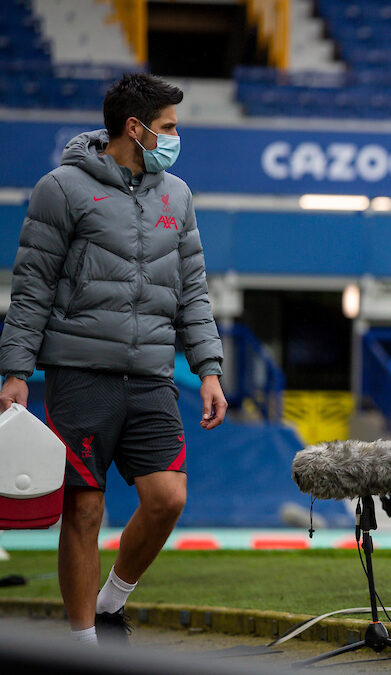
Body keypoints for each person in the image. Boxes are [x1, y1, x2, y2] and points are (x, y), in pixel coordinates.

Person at [0, 74, 227, 646]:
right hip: (80, 375)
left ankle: (110, 602)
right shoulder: (62, 188)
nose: (176, 137)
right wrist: (16, 373)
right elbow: (31, 288)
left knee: (167, 498)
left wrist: (209, 368)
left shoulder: (178, 194)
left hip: (151, 376)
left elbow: (193, 291)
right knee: (84, 511)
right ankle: (84, 646)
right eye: (170, 126)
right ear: (136, 127)